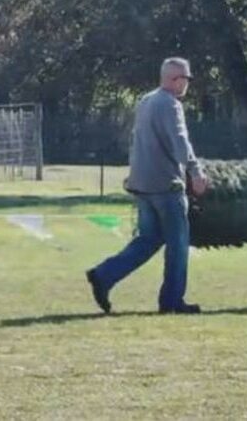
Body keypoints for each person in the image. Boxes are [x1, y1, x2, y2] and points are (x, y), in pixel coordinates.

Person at [86, 58, 208, 314]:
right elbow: (180, 142)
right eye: (186, 78)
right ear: (176, 79)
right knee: (177, 245)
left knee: (148, 240)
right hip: (166, 186)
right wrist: (195, 172)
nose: (187, 83)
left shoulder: (146, 101)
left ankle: (104, 275)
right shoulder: (171, 105)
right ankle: (172, 301)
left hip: (142, 185)